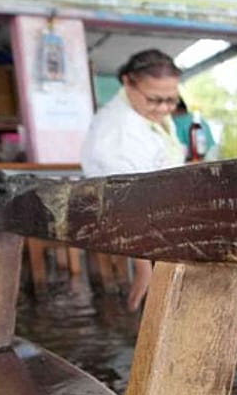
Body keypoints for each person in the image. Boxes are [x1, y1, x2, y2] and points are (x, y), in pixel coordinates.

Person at [79, 49, 187, 311]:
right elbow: (122, 199)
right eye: (154, 100)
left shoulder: (148, 114)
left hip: (163, 217)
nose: (163, 108)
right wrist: (142, 266)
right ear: (127, 82)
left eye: (170, 100)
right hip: (134, 227)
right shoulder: (116, 130)